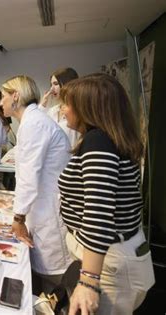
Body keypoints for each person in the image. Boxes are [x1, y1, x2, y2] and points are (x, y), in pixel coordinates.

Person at [58, 73, 155, 315]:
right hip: (118, 256)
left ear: (87, 108)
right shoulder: (111, 139)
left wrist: (89, 280)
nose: (63, 110)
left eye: (68, 104)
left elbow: (99, 212)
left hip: (109, 266)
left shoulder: (98, 141)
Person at [0, 75, 72, 294]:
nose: (0, 102)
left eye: (3, 97)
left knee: (58, 282)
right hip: (43, 206)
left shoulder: (34, 123)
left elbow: (28, 178)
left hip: (49, 210)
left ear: (16, 96)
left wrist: (18, 218)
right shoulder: (33, 120)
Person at [39, 67, 80, 147]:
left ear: (68, 84)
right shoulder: (52, 110)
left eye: (56, 84)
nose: (51, 89)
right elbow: (38, 129)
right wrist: (42, 105)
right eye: (51, 85)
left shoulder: (78, 111)